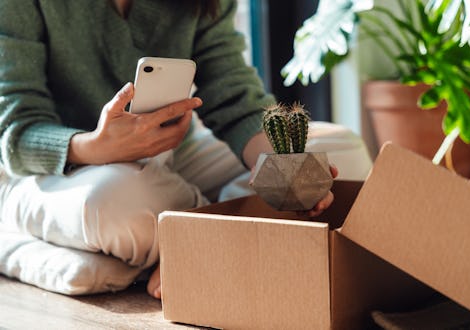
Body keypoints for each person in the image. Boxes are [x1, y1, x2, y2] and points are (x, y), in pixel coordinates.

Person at [0, 0, 371, 299]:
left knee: (341, 152)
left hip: (174, 154)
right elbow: (16, 132)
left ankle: (193, 245)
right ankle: (212, 235)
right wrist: (97, 147)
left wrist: (284, 169)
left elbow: (236, 99)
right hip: (55, 170)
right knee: (109, 202)